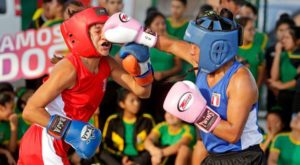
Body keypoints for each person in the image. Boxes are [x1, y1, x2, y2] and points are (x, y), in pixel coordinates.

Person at [103, 8, 264, 164]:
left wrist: (198, 113)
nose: (191, 51)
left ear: (217, 48)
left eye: (196, 46)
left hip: (244, 157)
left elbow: (232, 134)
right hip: (214, 156)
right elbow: (171, 45)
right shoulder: (202, 62)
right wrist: (139, 33)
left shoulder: (240, 80)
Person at [18, 7, 153, 164]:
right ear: (83, 33)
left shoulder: (107, 63)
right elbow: (30, 111)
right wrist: (69, 130)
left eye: (107, 30)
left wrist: (143, 64)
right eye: (98, 30)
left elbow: (143, 91)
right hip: (43, 145)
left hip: (57, 147)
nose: (105, 35)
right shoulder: (69, 68)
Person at [142, 11, 182, 123]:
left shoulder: (174, 41)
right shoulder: (144, 42)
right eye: (157, 24)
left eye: (163, 23)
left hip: (167, 82)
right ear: (149, 26)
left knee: (164, 109)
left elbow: (179, 67)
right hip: (148, 82)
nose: (161, 26)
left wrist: (164, 74)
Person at [100, 88, 155, 165]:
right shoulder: (112, 120)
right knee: (103, 153)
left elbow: (154, 142)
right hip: (119, 157)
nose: (136, 103)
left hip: (140, 158)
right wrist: (122, 157)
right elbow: (106, 144)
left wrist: (137, 162)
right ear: (122, 104)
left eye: (138, 100)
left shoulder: (147, 120)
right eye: (132, 101)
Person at [268, 26, 300, 128]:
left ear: (297, 40)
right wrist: (277, 53)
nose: (283, 41)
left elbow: (298, 80)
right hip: (283, 99)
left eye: (287, 38)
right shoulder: (283, 55)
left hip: (296, 98)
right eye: (282, 38)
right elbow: (274, 77)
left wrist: (282, 86)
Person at [265, 13, 295, 112]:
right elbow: (268, 76)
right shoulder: (270, 50)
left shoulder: (296, 52)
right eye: (280, 30)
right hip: (274, 96)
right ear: (276, 31)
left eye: (286, 30)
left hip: (292, 96)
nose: (283, 34)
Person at [236, 17, 265, 88]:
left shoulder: (258, 49)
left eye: (254, 29)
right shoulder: (232, 48)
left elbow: (261, 71)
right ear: (241, 30)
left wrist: (256, 88)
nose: (254, 33)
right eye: (250, 29)